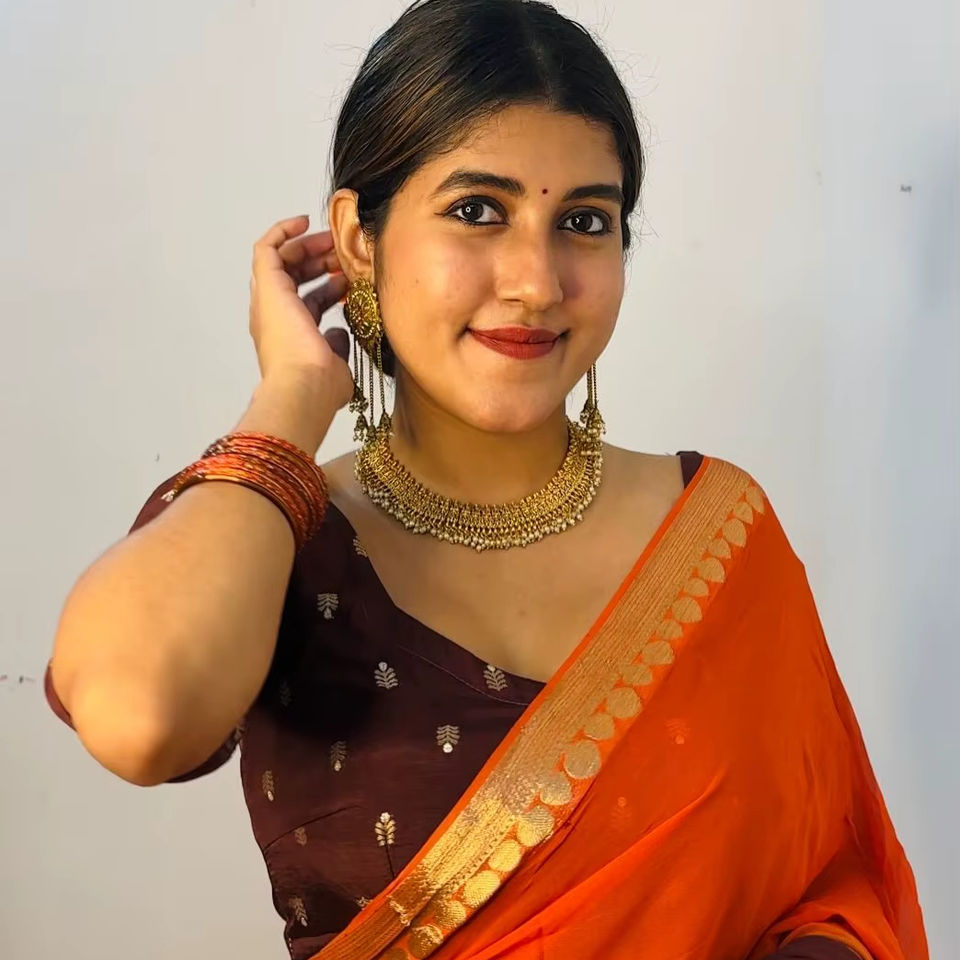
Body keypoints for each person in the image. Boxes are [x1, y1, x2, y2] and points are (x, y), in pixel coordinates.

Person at [43, 2, 928, 959]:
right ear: (358, 240)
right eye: (477, 211)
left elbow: (833, 883)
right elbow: (140, 721)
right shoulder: (266, 531)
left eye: (584, 221)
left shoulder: (716, 534)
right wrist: (290, 402)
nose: (537, 282)